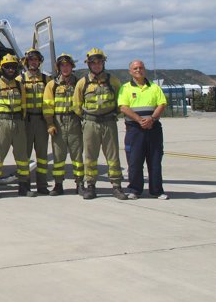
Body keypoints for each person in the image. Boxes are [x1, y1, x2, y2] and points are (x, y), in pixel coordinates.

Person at [73, 48, 127, 200]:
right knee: (90, 156)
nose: (96, 65)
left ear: (103, 63)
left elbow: (120, 101)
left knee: (113, 156)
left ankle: (117, 186)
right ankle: (90, 186)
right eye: (93, 63)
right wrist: (86, 117)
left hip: (109, 122)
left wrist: (114, 114)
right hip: (90, 123)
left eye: (99, 62)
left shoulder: (113, 81)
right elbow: (77, 104)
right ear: (89, 64)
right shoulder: (82, 83)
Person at [118, 60, 168, 200]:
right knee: (134, 160)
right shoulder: (125, 88)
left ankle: (157, 190)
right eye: (135, 68)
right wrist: (140, 120)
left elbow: (161, 104)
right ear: (130, 71)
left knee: (155, 160)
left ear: (144, 69)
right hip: (135, 129)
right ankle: (135, 189)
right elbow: (123, 107)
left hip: (153, 128)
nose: (138, 70)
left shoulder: (154, 87)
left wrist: (151, 119)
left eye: (140, 68)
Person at [0, 54, 34, 198]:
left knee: (22, 156)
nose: (11, 69)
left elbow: (24, 106)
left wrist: (21, 121)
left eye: (13, 67)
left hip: (19, 122)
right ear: (1, 68)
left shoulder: (20, 86)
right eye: (7, 67)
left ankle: (24, 186)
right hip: (2, 122)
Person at [43, 53, 84, 196]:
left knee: (77, 155)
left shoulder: (80, 83)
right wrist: (50, 124)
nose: (65, 68)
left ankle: (80, 184)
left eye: (67, 65)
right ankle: (58, 184)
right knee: (58, 156)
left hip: (74, 122)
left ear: (72, 66)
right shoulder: (52, 85)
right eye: (62, 65)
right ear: (58, 67)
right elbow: (47, 106)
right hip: (58, 123)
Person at [17, 48, 50, 195]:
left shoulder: (46, 79)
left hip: (42, 121)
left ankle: (42, 185)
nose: (34, 62)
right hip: (26, 121)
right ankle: (24, 185)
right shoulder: (20, 79)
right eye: (31, 59)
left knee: (42, 155)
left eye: (36, 59)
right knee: (24, 155)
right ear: (26, 61)